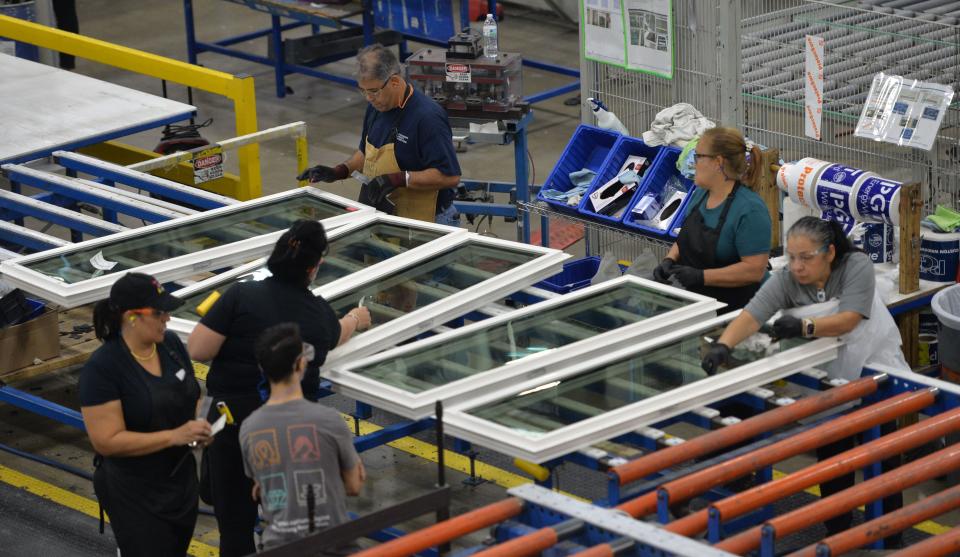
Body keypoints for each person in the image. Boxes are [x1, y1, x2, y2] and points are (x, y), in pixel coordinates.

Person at [701, 215, 909, 543]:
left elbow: (849, 320)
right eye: (793, 257)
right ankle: (838, 531)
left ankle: (891, 532)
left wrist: (804, 327)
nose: (796, 266)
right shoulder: (789, 278)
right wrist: (724, 346)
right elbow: (753, 313)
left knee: (882, 450)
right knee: (833, 449)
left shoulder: (856, 266)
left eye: (806, 258)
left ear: (829, 253)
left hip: (872, 363)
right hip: (829, 371)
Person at [187, 219, 372, 557]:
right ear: (314, 268)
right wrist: (357, 318)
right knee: (296, 521)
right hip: (293, 436)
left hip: (233, 424)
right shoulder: (317, 315)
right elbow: (337, 332)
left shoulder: (241, 295)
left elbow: (198, 349)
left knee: (234, 525)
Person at [80, 272, 212, 557]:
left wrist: (199, 423)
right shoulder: (103, 368)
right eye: (159, 312)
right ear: (131, 317)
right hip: (135, 491)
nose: (167, 318)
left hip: (179, 482)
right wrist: (175, 436)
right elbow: (106, 440)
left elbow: (191, 394)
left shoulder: (171, 346)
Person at [297, 44, 462, 225]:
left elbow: (449, 176)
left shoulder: (427, 118)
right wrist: (340, 171)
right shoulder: (376, 107)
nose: (368, 98)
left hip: (428, 220)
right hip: (389, 217)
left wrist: (398, 179)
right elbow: (366, 153)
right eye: (363, 91)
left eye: (374, 91)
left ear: (395, 82)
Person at [241, 323, 365, 553]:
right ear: (300, 364)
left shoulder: (249, 428)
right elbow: (354, 485)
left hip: (278, 549)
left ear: (262, 368)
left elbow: (260, 487)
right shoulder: (329, 420)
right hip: (332, 546)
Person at [653, 127, 771, 312]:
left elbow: (754, 270)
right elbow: (686, 237)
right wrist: (669, 260)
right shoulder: (700, 195)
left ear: (718, 162)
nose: (693, 164)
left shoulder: (750, 209)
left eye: (698, 157)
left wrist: (702, 276)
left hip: (733, 312)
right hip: (697, 303)